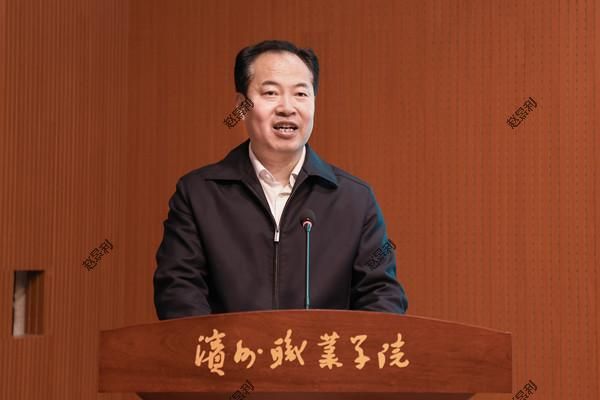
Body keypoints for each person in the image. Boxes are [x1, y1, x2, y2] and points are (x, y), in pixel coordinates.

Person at [153, 40, 408, 320]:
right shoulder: (198, 195)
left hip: (325, 349)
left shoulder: (355, 200)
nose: (287, 108)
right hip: (229, 349)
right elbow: (178, 291)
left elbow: (382, 294)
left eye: (301, 94)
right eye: (271, 93)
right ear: (241, 106)